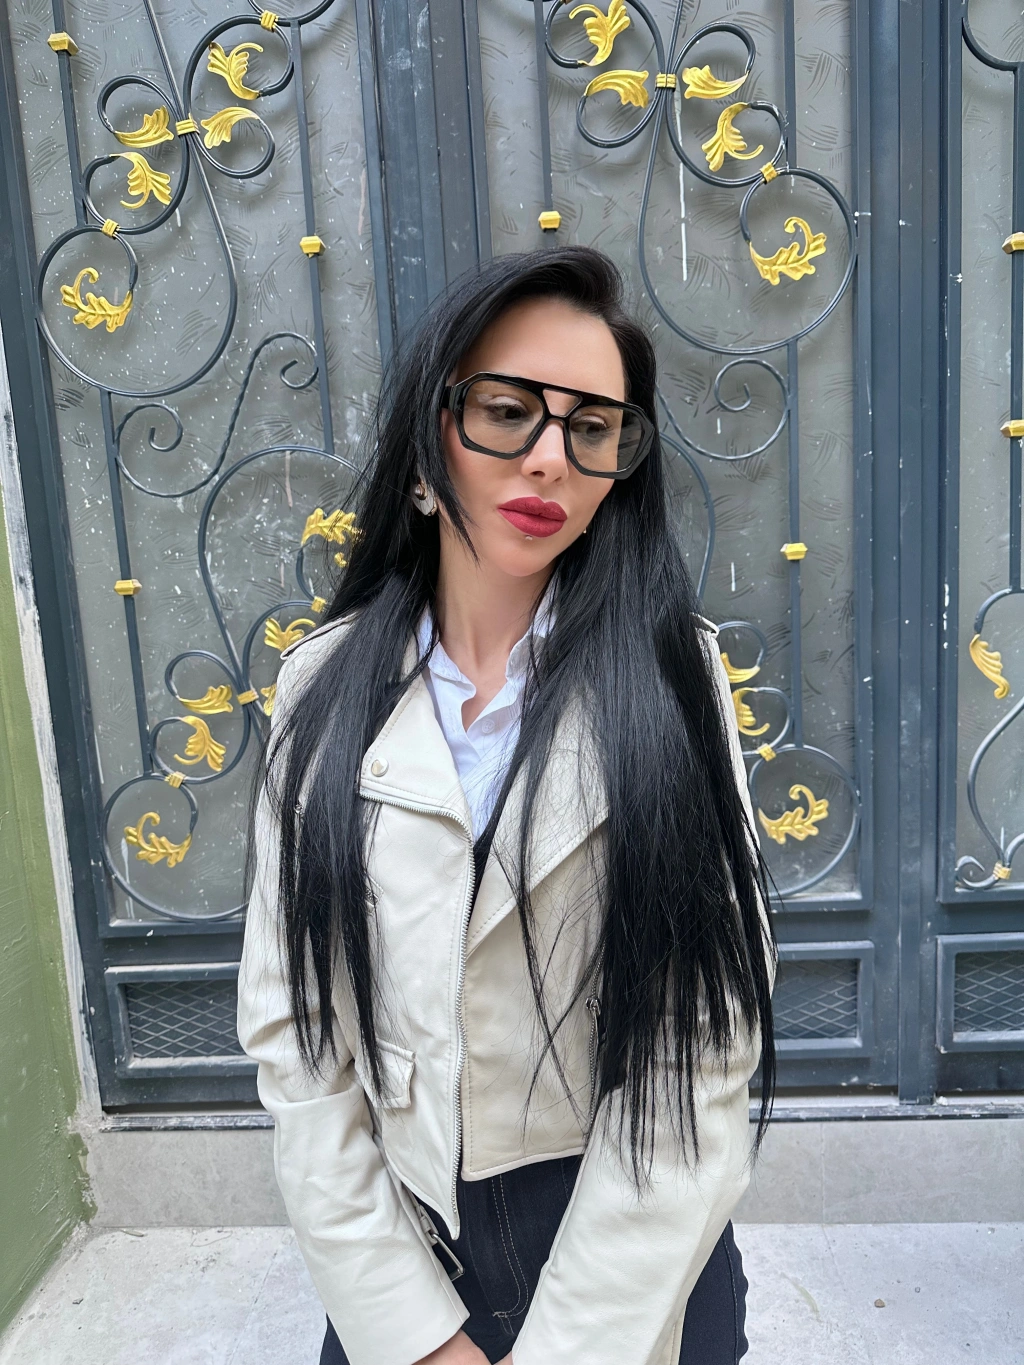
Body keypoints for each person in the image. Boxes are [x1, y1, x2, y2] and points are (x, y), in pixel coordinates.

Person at [237, 245, 777, 1365]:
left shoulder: (672, 680)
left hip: (623, 1261)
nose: (549, 458)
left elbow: (701, 1049)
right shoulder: (321, 689)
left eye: (593, 428)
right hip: (402, 1258)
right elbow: (296, 1034)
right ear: (426, 442)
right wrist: (411, 1331)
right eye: (506, 410)